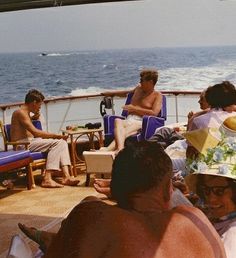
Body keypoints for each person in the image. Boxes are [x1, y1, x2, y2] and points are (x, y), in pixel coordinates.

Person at [19, 141, 226, 258]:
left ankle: (51, 241)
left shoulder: (93, 216)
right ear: (167, 191)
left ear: (115, 188)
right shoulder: (194, 219)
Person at [11, 89, 79, 188]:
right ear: (34, 102)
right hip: (22, 145)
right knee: (58, 142)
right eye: (39, 105)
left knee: (62, 143)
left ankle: (67, 176)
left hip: (30, 142)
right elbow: (36, 132)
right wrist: (56, 135)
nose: (39, 108)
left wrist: (34, 118)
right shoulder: (20, 112)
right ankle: (47, 178)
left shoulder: (25, 113)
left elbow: (25, 128)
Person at [185, 128, 236, 258]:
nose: (211, 199)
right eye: (206, 191)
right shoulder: (221, 220)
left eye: (219, 191)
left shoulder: (232, 234)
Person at [102, 69, 163, 153]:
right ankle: (117, 149)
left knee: (126, 131)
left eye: (142, 80)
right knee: (117, 121)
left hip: (143, 122)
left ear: (150, 82)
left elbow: (154, 113)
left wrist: (134, 109)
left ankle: (113, 149)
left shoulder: (157, 95)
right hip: (129, 119)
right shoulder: (138, 88)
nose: (140, 82)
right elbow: (126, 93)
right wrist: (110, 93)